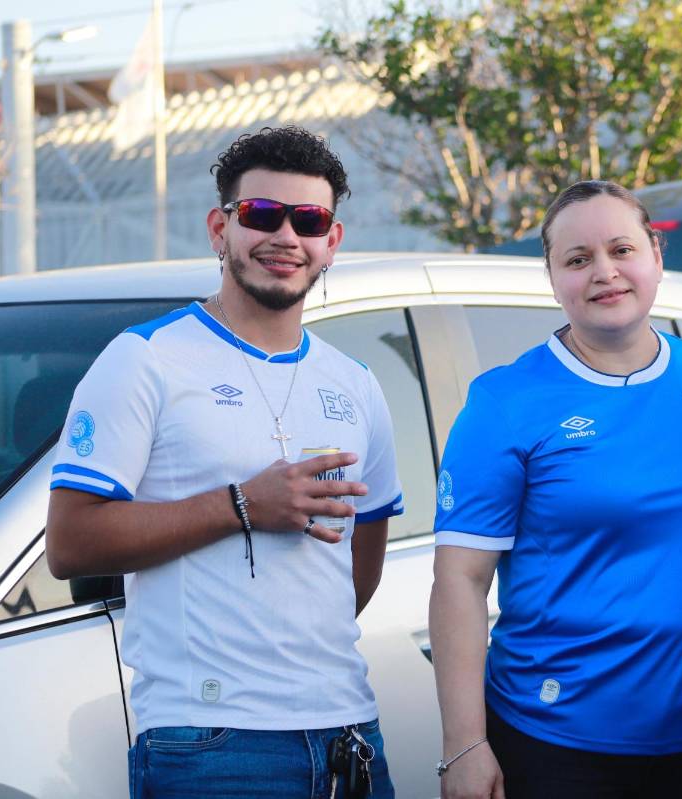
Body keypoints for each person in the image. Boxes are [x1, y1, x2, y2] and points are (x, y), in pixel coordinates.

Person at [45, 126, 404, 798]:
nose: (286, 237)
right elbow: (68, 543)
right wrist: (241, 505)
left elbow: (356, 569)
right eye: (262, 215)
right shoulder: (145, 359)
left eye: (310, 220)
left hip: (349, 733)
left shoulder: (356, 382)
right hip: (210, 742)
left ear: (332, 241)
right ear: (220, 228)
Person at [429, 180, 682, 799]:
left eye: (621, 250)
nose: (604, 272)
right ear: (553, 279)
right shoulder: (505, 401)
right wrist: (464, 746)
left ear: (657, 257)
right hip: (555, 739)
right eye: (577, 260)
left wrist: (681, 632)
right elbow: (459, 581)